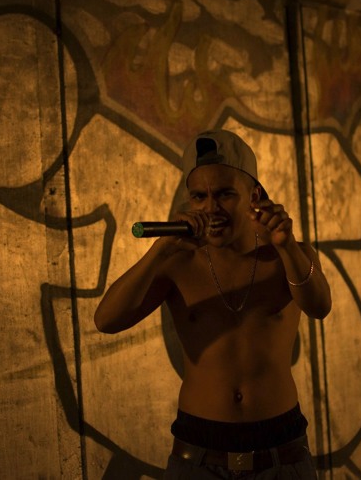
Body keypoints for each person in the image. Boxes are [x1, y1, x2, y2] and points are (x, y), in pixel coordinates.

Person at [94, 129, 332, 479]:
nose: (211, 208)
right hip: (199, 454)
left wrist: (287, 246)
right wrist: (160, 249)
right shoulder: (178, 262)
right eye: (199, 197)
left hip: (281, 451)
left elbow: (320, 306)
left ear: (254, 196)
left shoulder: (286, 254)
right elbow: (106, 320)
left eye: (224, 194)